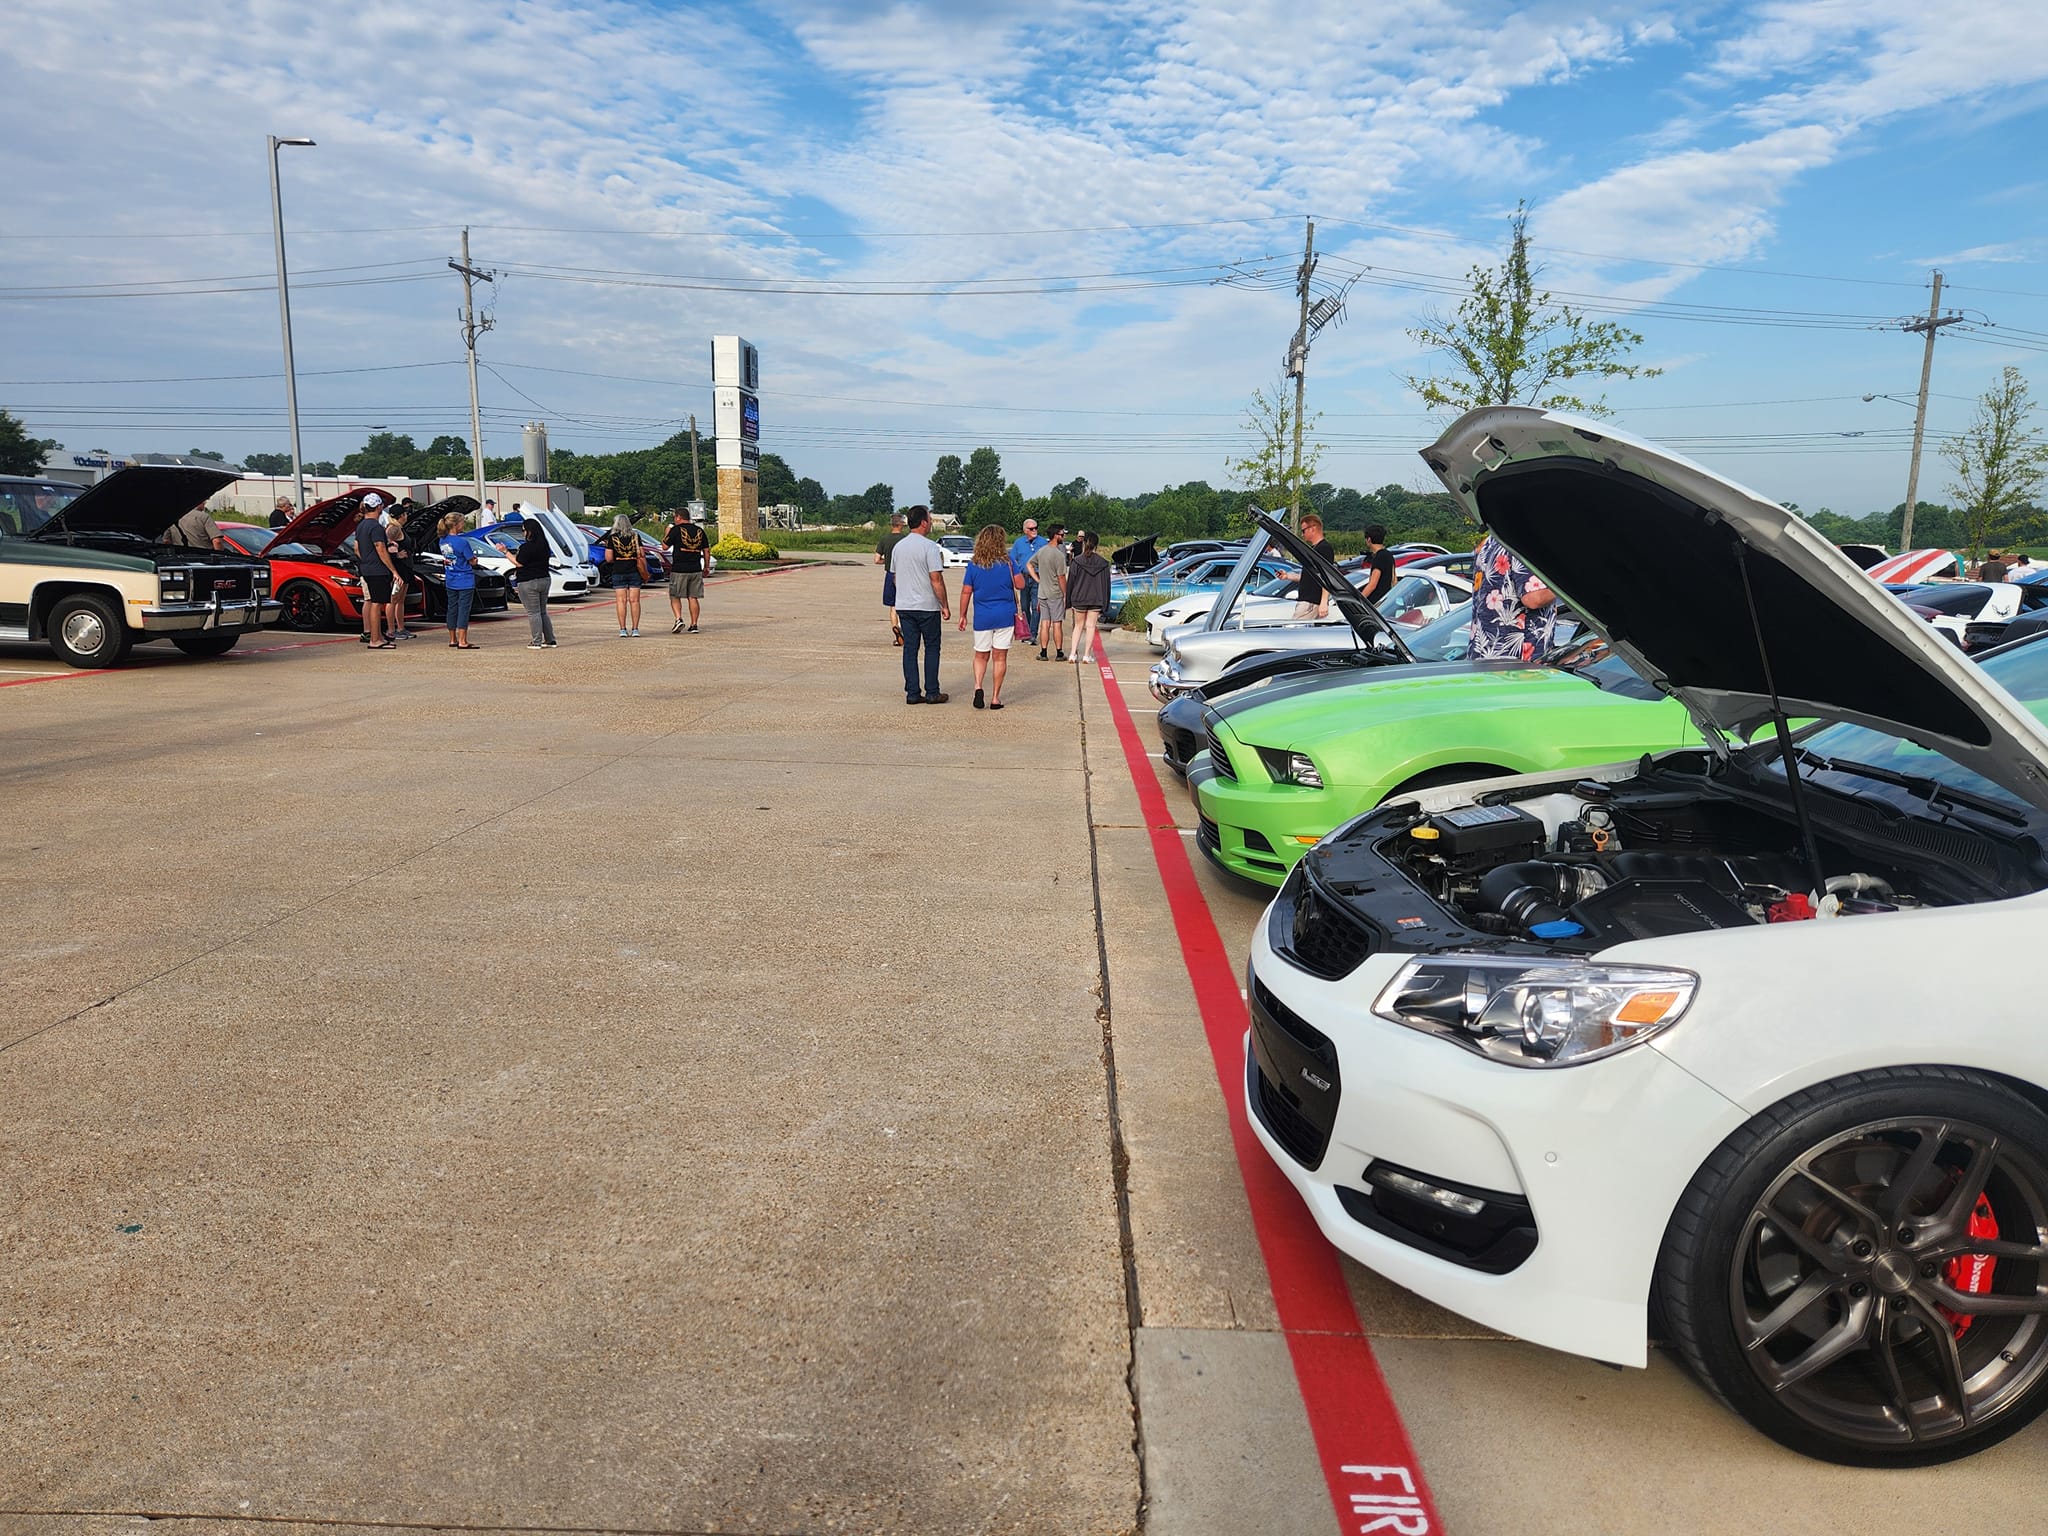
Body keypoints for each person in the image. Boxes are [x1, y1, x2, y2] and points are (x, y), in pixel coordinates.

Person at [958, 523, 1025, 710]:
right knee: (1000, 657)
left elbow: (966, 592)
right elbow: (1020, 585)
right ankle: (995, 698)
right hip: (1004, 615)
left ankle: (978, 686)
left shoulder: (974, 564)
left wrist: (962, 615)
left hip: (982, 616)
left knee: (981, 655)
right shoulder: (1009, 562)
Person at [890, 504, 950, 704]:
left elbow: (896, 578)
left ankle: (913, 693)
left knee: (910, 649)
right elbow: (936, 579)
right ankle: (932, 691)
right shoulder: (929, 547)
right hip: (926, 606)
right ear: (923, 523)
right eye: (930, 520)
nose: (931, 523)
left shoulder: (899, 547)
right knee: (932, 648)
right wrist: (945, 605)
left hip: (905, 605)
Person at [1470, 531, 1557, 661]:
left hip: (1485, 654)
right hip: (1517, 663)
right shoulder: (1523, 542)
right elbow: (1534, 599)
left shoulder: (1490, 541)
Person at [353, 494, 398, 649]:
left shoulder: (361, 526)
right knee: (377, 604)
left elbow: (357, 548)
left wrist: (366, 559)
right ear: (379, 507)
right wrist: (393, 570)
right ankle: (375, 639)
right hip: (377, 570)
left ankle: (376, 636)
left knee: (373, 602)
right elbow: (381, 549)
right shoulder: (376, 527)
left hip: (366, 568)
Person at [1065, 529, 1112, 666]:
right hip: (1096, 599)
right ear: (1097, 545)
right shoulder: (1103, 563)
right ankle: (1087, 655)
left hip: (1079, 597)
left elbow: (1071, 582)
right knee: (1091, 626)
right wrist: (1105, 603)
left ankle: (1073, 654)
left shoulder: (1077, 561)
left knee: (1078, 626)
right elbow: (1106, 585)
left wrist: (1068, 601)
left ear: (1084, 543)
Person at [437, 510, 480, 649]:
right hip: (465, 579)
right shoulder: (462, 542)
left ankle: (452, 638)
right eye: (462, 522)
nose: (463, 525)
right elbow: (471, 561)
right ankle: (462, 640)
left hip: (451, 577)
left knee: (452, 608)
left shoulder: (442, 540)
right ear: (456, 525)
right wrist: (475, 560)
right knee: (463, 609)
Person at [513, 516, 557, 648]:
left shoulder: (527, 547)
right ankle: (550, 640)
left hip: (528, 581)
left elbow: (519, 563)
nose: (523, 533)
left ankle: (536, 641)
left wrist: (505, 552)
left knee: (533, 612)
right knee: (542, 611)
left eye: (523, 530)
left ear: (529, 531)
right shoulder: (544, 545)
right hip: (544, 578)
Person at [665, 507, 710, 633]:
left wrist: (667, 532)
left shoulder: (676, 530)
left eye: (675, 517)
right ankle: (694, 624)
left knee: (675, 595)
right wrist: (706, 566)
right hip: (695, 568)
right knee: (693, 597)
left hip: (679, 568)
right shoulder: (699, 531)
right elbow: (706, 550)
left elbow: (664, 546)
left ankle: (678, 618)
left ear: (679, 517)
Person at [1028, 523, 1069, 660]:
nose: (1063, 537)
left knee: (1044, 623)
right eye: (1062, 535)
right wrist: (1065, 594)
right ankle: (1059, 652)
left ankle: (1043, 652)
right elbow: (1061, 577)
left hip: (1042, 593)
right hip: (1055, 593)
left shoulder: (1042, 551)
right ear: (1056, 535)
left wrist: (1037, 579)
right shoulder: (1059, 555)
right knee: (1057, 624)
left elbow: (1029, 565)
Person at [603, 513, 647, 635]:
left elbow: (608, 558)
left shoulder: (612, 538)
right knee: (635, 601)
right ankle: (635, 629)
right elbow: (642, 554)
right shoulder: (635, 537)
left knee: (621, 601)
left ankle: (623, 629)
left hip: (618, 570)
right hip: (634, 570)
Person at [1292, 513, 1338, 620]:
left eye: (1303, 531)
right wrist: (1287, 576)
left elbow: (1326, 575)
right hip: (1307, 601)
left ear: (1313, 528)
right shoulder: (1314, 549)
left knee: (1294, 632)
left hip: (1311, 602)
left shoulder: (1324, 549)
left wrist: (1323, 601)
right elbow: (1310, 577)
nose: (1302, 534)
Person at [384, 502, 418, 640]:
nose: (407, 516)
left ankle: (401, 627)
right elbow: (383, 545)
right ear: (400, 516)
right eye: (404, 514)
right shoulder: (393, 529)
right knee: (393, 599)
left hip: (406, 568)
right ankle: (391, 630)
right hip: (398, 568)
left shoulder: (400, 528)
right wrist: (395, 555)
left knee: (401, 600)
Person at [1010, 518, 1048, 632]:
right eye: (1031, 528)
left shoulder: (1043, 542)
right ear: (1025, 530)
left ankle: (1033, 632)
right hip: (1024, 578)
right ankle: (1027, 629)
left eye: (1036, 528)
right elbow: (1012, 560)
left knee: (1036, 607)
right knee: (1025, 606)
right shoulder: (1018, 543)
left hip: (1038, 578)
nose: (1034, 530)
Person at [875, 511, 907, 644]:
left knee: (893, 605)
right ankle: (904, 630)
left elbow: (877, 559)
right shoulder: (905, 539)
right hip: (904, 575)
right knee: (905, 605)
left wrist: (887, 561)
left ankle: (896, 630)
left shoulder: (884, 539)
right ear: (901, 525)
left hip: (890, 574)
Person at [1357, 522, 1395, 607]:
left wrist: (1359, 600)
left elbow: (1373, 584)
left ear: (1369, 539)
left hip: (1376, 602)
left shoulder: (1378, 557)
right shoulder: (1389, 555)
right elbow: (1394, 580)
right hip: (1385, 601)